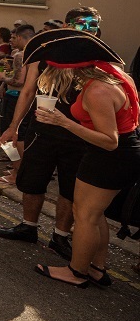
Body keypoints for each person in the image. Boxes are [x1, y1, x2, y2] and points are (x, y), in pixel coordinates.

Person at [0, 8, 104, 258]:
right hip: (41, 129)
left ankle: (60, 236)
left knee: (69, 188)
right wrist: (13, 127)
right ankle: (28, 227)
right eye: (81, 24)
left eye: (93, 25)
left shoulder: (99, 57)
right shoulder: (45, 52)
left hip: (79, 134)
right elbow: (27, 90)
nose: (87, 30)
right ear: (67, 25)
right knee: (32, 180)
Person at [32, 47, 139, 288]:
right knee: (94, 213)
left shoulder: (98, 90)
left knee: (85, 215)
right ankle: (96, 269)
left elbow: (110, 141)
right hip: (117, 154)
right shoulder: (114, 77)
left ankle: (77, 272)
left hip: (110, 156)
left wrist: (64, 122)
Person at [0, 24, 34, 184]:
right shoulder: (37, 55)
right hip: (27, 99)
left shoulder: (21, 55)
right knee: (21, 135)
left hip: (16, 97)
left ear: (21, 37)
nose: (10, 41)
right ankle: (19, 169)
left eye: (13, 37)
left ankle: (17, 172)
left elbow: (19, 81)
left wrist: (2, 78)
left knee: (10, 137)